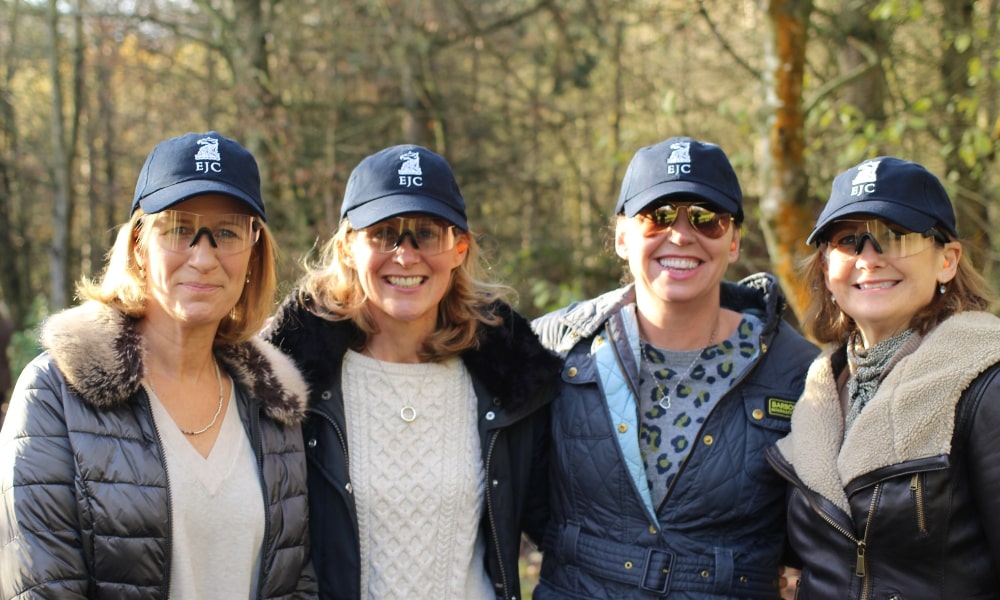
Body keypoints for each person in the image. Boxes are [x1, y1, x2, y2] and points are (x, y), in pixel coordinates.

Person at [0, 131, 317, 599]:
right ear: (138, 246)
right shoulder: (54, 397)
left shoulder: (274, 405)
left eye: (227, 232)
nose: (203, 256)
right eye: (178, 229)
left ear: (253, 252)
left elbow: (296, 583)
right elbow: (41, 588)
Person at [264, 144, 561, 600]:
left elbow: (563, 532)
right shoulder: (292, 380)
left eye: (427, 234)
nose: (405, 256)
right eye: (384, 234)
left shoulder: (511, 382)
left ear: (459, 248)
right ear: (347, 248)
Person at [531, 136, 819, 599]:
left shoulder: (800, 372)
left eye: (707, 218)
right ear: (622, 236)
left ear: (734, 241)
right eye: (658, 216)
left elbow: (829, 526)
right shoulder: (556, 347)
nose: (682, 235)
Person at [766, 157, 1000, 598]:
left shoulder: (985, 382)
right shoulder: (819, 389)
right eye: (848, 240)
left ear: (947, 260)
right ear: (826, 268)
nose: (868, 258)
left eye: (893, 236)